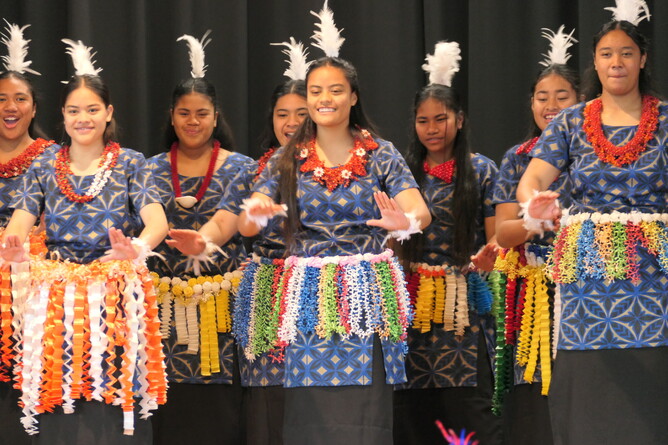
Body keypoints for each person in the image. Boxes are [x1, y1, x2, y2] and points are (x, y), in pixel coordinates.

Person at [236, 3, 430, 443]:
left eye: (336, 90)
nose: (325, 99)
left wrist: (404, 222)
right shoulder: (288, 158)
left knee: (365, 412)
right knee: (311, 414)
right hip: (308, 295)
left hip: (365, 293)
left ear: (353, 97)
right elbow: (249, 224)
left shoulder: (381, 152)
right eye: (316, 91)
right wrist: (254, 215)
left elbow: (420, 211)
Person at [0, 39, 168, 444]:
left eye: (92, 109)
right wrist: (15, 248)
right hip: (57, 301)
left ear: (108, 113)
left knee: (110, 396)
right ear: (62, 115)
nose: (83, 118)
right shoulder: (43, 164)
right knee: (60, 396)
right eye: (74, 110)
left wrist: (137, 249)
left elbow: (156, 223)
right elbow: (19, 224)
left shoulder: (130, 162)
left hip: (113, 294)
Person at [517, 2, 668, 442]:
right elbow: (532, 183)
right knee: (592, 380)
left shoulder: (665, 121)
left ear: (642, 60)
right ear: (595, 63)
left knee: (653, 377)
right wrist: (536, 205)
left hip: (656, 270)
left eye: (625, 53)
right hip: (589, 273)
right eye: (605, 53)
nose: (615, 62)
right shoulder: (570, 122)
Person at [146, 32, 253, 445]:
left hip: (222, 313)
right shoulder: (150, 169)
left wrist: (203, 243)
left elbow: (228, 224)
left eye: (202, 113)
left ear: (216, 115)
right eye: (184, 113)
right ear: (172, 116)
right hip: (164, 315)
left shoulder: (241, 167)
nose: (193, 121)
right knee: (169, 416)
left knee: (222, 418)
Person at [392, 41, 501, 445]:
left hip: (463, 310)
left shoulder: (481, 170)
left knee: (470, 416)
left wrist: (490, 258)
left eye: (441, 119)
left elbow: (496, 241)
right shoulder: (402, 173)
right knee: (412, 418)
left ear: (460, 119)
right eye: (423, 120)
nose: (433, 128)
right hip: (412, 309)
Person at [491, 26, 579, 445]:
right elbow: (503, 233)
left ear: (582, 102)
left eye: (563, 96)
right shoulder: (517, 159)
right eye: (542, 97)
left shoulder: (594, 150)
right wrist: (535, 222)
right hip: (533, 295)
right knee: (533, 405)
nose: (551, 105)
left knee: (583, 392)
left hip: (586, 281)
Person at [238, 38, 308, 445]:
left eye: (301, 113)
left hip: (316, 290)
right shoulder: (257, 170)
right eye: (283, 114)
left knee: (313, 396)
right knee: (268, 402)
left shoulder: (333, 166)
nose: (291, 123)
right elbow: (242, 229)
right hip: (266, 292)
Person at [0, 21, 55, 445]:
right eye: (2, 99)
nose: (10, 106)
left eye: (20, 98)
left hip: (32, 294)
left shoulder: (52, 158)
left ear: (34, 108)